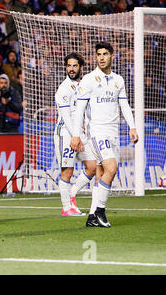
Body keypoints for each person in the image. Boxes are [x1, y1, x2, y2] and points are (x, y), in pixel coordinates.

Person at [70, 42, 139, 228]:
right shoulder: (89, 80)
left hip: (114, 133)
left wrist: (132, 127)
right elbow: (80, 110)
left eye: (105, 54)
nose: (101, 57)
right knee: (112, 168)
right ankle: (100, 211)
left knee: (102, 175)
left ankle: (92, 217)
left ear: (112, 56)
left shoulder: (119, 80)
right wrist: (76, 135)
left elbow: (124, 105)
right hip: (97, 133)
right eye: (98, 54)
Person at [54, 53, 96, 216]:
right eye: (69, 66)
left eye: (74, 66)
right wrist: (75, 136)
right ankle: (66, 208)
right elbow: (66, 116)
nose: (71, 69)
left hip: (79, 134)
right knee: (67, 171)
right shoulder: (64, 88)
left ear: (81, 67)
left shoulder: (83, 86)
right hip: (66, 134)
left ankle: (71, 193)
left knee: (92, 167)